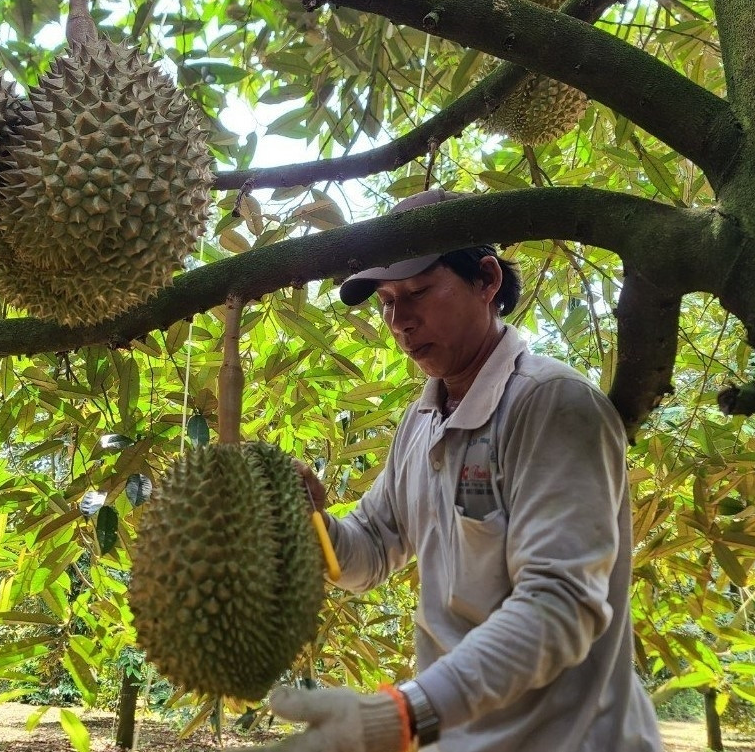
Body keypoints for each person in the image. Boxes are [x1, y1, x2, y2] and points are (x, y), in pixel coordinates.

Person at [264, 189, 662, 752]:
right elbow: (371, 549)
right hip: (456, 735)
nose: (400, 321)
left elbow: (560, 604)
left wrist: (403, 713)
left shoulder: (552, 405)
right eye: (386, 302)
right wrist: (306, 522)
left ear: (487, 280)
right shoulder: (421, 421)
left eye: (418, 292)